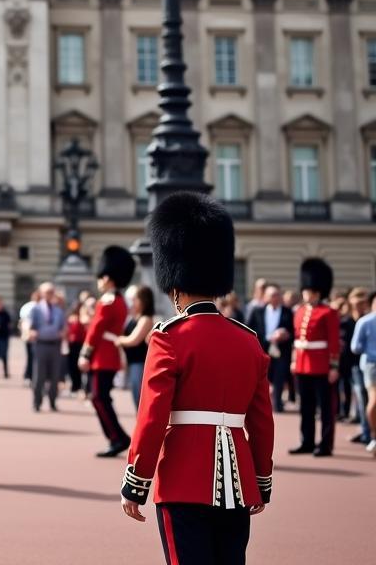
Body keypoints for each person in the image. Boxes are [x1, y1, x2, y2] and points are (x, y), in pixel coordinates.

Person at [120, 192, 274, 565]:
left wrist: (135, 483)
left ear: (174, 285)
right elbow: (262, 421)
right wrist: (261, 482)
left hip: (183, 481)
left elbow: (152, 417)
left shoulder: (169, 337)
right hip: (238, 483)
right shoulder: (248, 341)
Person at [79, 246, 136, 457]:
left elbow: (95, 330)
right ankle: (117, 437)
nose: (100, 280)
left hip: (102, 356)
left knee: (98, 397)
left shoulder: (108, 301)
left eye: (102, 277)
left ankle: (117, 437)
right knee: (100, 397)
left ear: (108, 278)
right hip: (109, 354)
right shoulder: (119, 300)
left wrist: (85, 354)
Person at [289, 257, 340, 457]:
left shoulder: (328, 313)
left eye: (308, 290)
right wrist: (294, 360)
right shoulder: (300, 311)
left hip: (321, 366)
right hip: (303, 364)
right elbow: (297, 339)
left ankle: (325, 445)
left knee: (325, 409)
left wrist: (334, 366)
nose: (305, 293)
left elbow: (334, 342)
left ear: (317, 292)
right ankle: (307, 441)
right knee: (306, 407)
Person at [246, 284, 293, 413]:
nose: (276, 298)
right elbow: (248, 329)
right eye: (272, 295)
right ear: (266, 297)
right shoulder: (257, 311)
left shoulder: (287, 312)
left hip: (281, 351)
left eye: (278, 295)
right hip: (262, 349)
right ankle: (260, 404)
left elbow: (293, 331)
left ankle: (277, 405)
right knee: (262, 378)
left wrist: (286, 335)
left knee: (279, 378)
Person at [114, 286, 155, 410]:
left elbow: (134, 340)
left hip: (140, 363)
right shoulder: (134, 317)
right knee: (135, 398)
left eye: (136, 299)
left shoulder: (146, 319)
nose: (133, 302)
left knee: (140, 400)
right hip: (132, 363)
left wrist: (119, 340)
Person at [28, 282, 65, 412]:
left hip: (55, 345)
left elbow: (63, 327)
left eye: (51, 292)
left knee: (55, 376)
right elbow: (30, 326)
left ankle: (53, 402)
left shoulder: (58, 310)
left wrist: (63, 333)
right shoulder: (36, 309)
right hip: (41, 345)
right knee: (39, 376)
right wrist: (32, 332)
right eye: (47, 292)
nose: (49, 295)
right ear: (41, 293)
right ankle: (37, 402)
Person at [349, 289, 376, 454]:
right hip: (369, 365)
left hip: (370, 364)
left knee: (370, 400)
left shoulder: (365, 321)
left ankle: (372, 436)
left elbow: (355, 347)